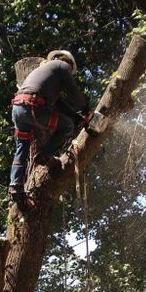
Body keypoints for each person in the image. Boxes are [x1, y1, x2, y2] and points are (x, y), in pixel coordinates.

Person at [9, 50, 89, 208]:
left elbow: (60, 104)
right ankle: (44, 155)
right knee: (67, 126)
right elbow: (73, 91)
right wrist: (86, 110)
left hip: (18, 109)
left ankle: (16, 186)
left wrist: (78, 117)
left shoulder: (46, 74)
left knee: (21, 148)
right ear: (69, 63)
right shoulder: (61, 66)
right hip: (32, 108)